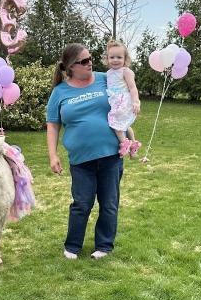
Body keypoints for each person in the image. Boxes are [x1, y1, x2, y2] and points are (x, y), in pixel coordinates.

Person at [46, 43, 124, 260]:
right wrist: (53, 155)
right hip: (81, 160)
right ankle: (72, 246)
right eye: (83, 61)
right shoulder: (59, 92)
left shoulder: (104, 78)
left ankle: (104, 246)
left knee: (109, 203)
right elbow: (53, 124)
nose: (90, 63)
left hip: (110, 155)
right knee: (82, 203)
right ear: (70, 67)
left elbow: (125, 89)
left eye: (90, 58)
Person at [105, 39, 141, 158]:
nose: (115, 60)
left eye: (119, 57)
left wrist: (136, 101)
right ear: (107, 58)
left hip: (123, 101)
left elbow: (133, 88)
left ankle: (124, 143)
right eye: (112, 57)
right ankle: (134, 144)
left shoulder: (126, 71)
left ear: (125, 59)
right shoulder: (108, 73)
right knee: (124, 125)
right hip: (116, 100)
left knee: (114, 123)